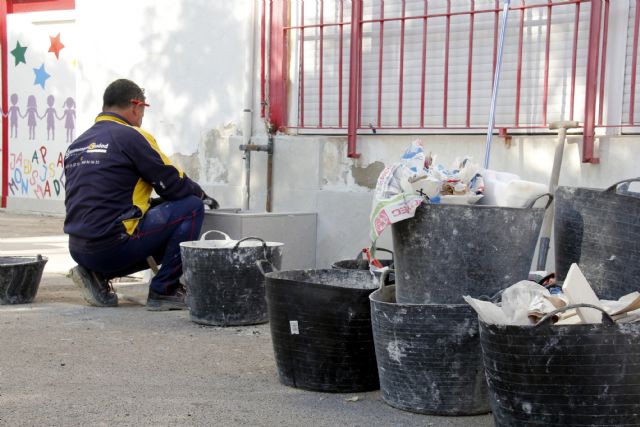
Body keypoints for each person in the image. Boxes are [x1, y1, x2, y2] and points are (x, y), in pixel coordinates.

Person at [63, 79, 218, 311]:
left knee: (154, 213)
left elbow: (110, 197)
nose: (142, 117)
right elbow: (171, 182)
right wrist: (202, 195)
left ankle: (94, 273)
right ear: (135, 106)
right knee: (191, 207)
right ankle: (164, 290)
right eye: (143, 111)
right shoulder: (131, 136)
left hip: (78, 248)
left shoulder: (77, 144)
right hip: (112, 246)